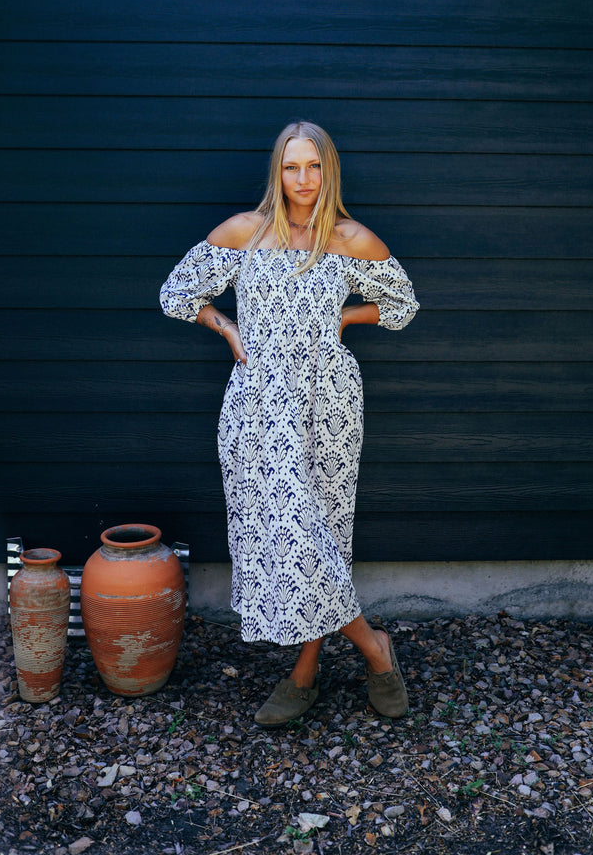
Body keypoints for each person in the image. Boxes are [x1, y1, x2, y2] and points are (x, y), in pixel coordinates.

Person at [160, 121, 419, 726]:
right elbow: (178, 293)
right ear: (277, 172)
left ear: (329, 171)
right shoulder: (244, 232)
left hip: (329, 402)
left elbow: (402, 305)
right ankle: (373, 647)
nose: (303, 179)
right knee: (289, 534)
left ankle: (305, 672)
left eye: (314, 166)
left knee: (322, 534)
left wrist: (345, 319)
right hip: (258, 402)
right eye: (291, 167)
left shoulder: (351, 240)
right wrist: (227, 327)